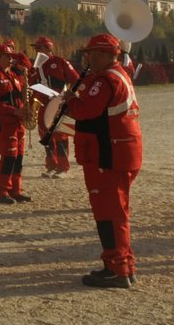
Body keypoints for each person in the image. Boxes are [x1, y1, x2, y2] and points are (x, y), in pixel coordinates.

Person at [57, 32, 142, 287]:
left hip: (110, 154)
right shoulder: (117, 75)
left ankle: (118, 269)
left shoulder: (105, 79)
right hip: (119, 150)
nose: (88, 58)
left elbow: (86, 111)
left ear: (106, 54)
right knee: (114, 212)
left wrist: (71, 100)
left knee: (111, 213)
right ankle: (120, 264)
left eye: (92, 53)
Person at [0, 41, 31, 205]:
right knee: (9, 157)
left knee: (19, 157)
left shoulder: (14, 75)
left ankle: (16, 190)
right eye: (7, 56)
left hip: (18, 121)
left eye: (12, 57)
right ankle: (1, 191)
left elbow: (20, 95)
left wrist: (25, 108)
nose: (11, 60)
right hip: (4, 122)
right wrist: (15, 111)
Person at [32, 36, 78, 178]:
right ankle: (51, 165)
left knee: (60, 135)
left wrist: (67, 97)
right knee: (45, 136)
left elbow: (75, 79)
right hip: (42, 104)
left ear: (48, 48)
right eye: (36, 48)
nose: (36, 51)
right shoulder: (35, 66)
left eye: (39, 47)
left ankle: (63, 167)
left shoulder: (60, 62)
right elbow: (32, 86)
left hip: (58, 104)